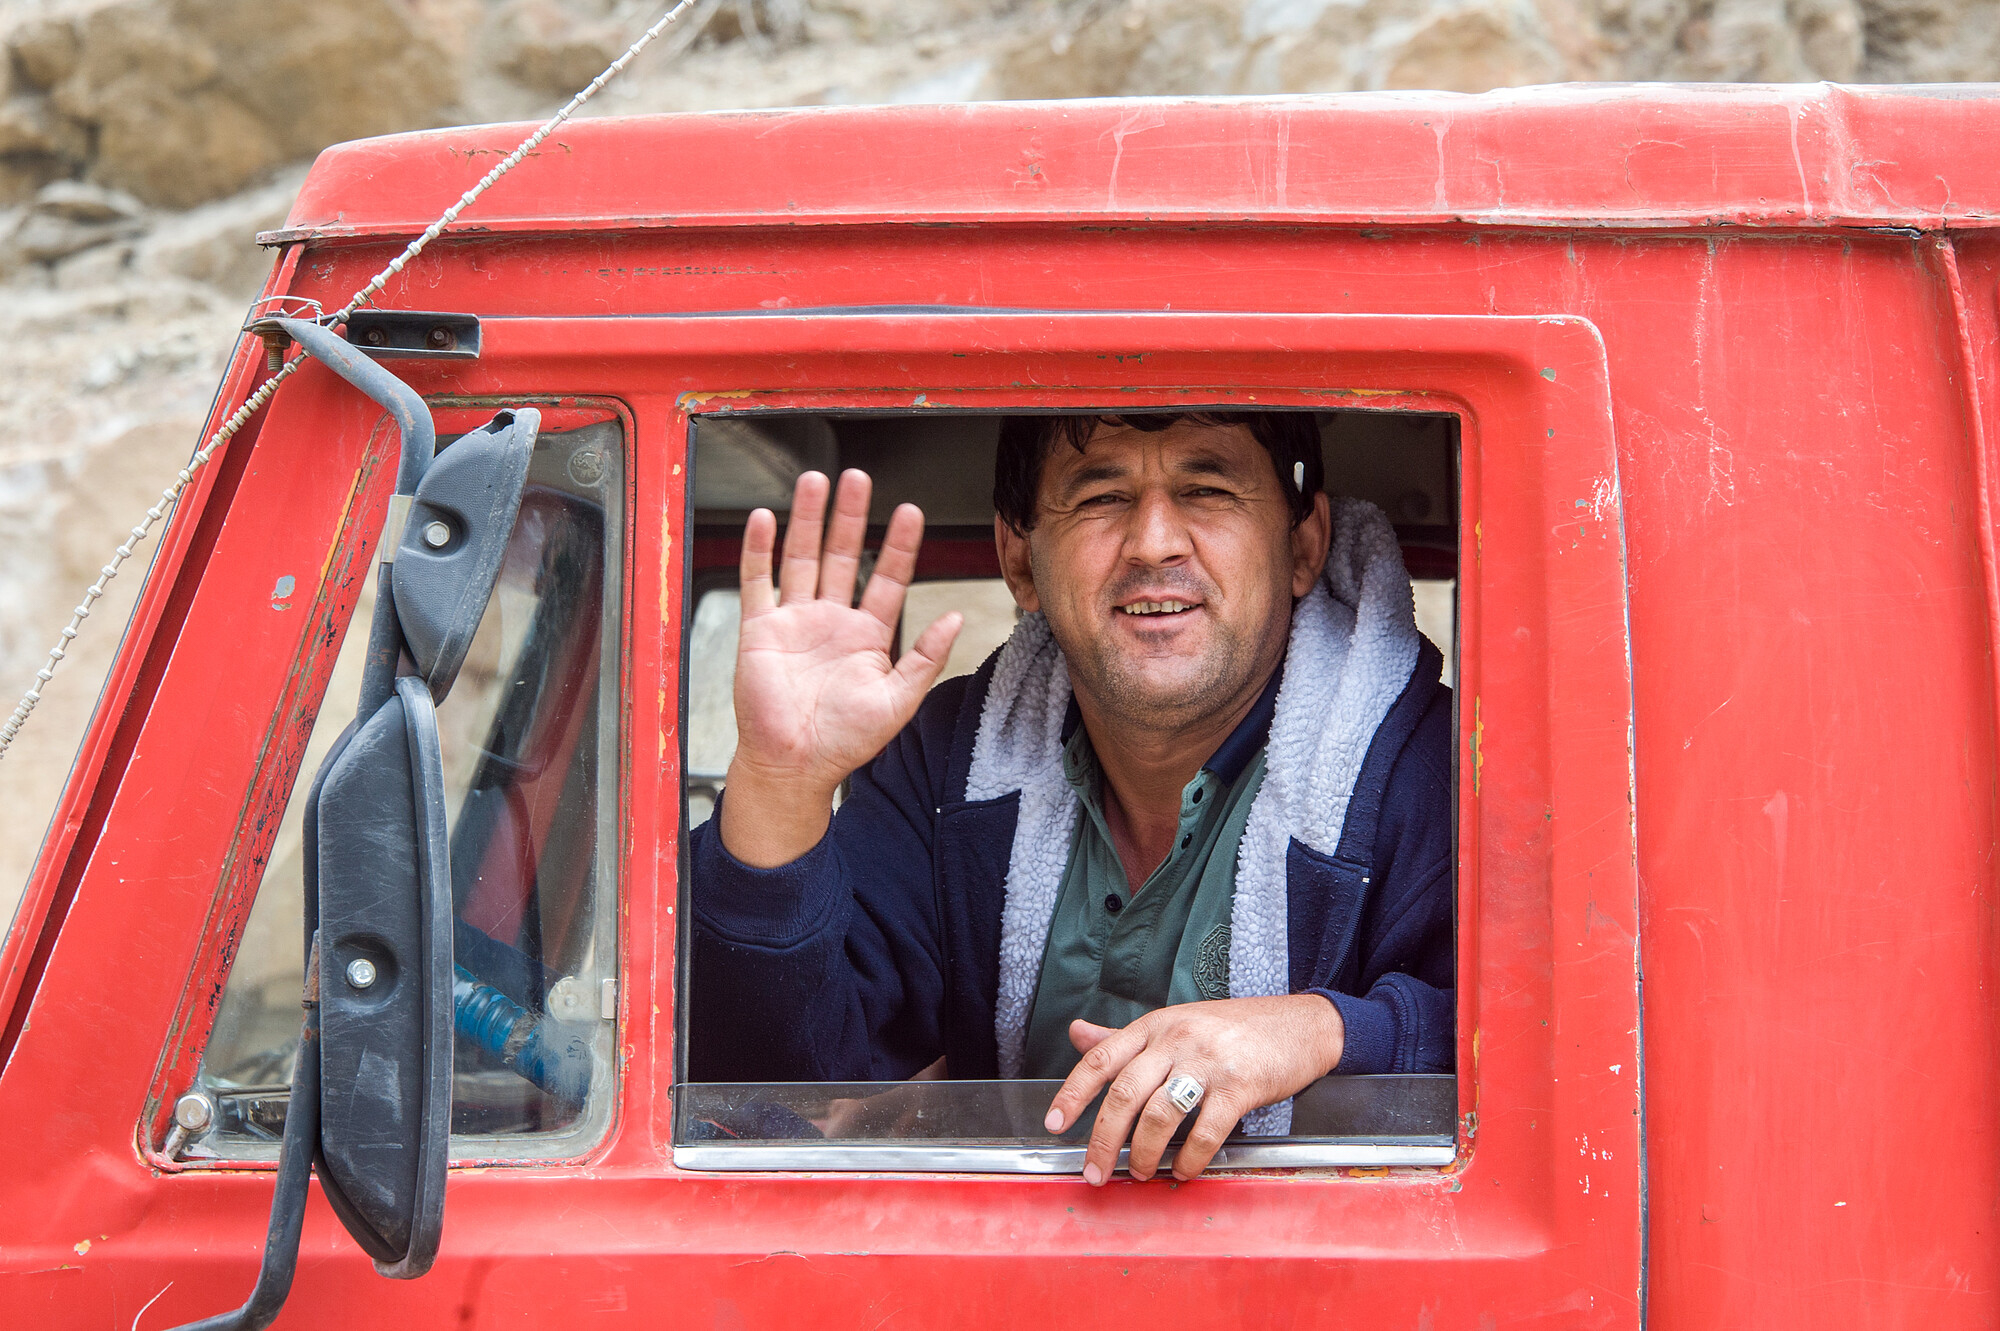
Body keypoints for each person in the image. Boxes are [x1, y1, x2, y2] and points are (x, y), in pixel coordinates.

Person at [688, 411, 1454, 1184]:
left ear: (1303, 545)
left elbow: (1521, 1053)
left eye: (1208, 489)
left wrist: (1324, 1031)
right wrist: (779, 787)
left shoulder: (1432, 767)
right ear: (1019, 560)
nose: (1154, 542)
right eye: (1101, 497)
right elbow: (773, 1073)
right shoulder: (954, 758)